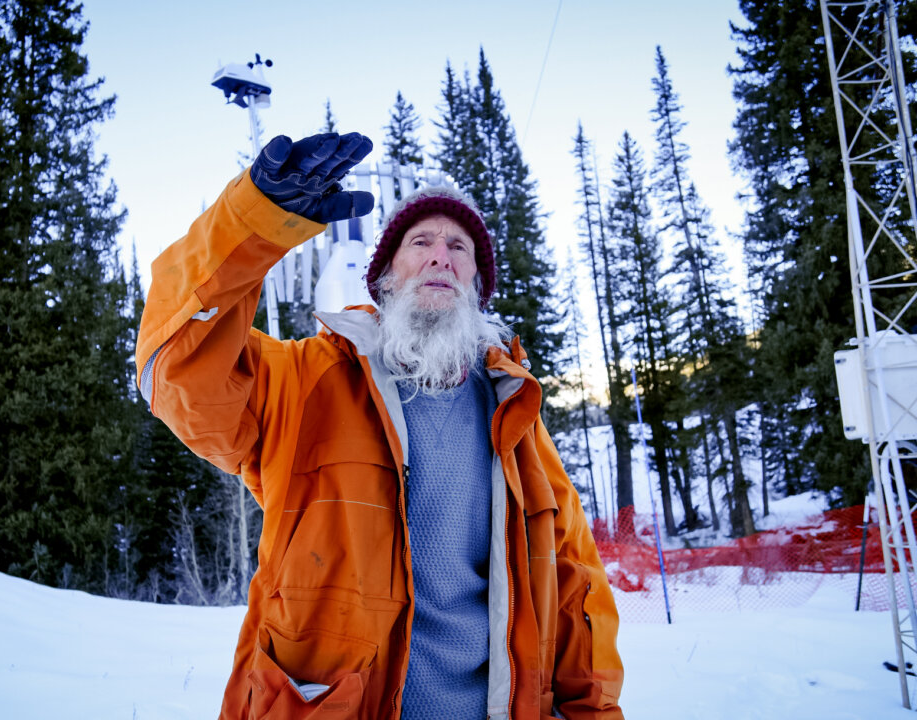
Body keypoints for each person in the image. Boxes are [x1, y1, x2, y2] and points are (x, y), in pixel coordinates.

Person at [135, 132, 624, 720]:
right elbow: (179, 372)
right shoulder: (307, 383)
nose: (441, 255)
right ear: (386, 279)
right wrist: (254, 221)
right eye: (420, 242)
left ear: (477, 287)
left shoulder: (517, 420)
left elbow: (576, 591)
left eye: (459, 247)